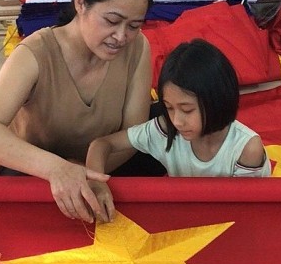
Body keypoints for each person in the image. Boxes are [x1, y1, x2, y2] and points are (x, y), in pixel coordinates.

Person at [0, 0, 154, 224]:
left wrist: (88, 172)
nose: (121, 36)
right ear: (81, 3)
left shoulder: (137, 48)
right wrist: (58, 169)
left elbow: (134, 135)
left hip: (103, 166)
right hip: (35, 170)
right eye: (112, 21)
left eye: (134, 26)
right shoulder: (36, 53)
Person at [86, 39, 271, 218]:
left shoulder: (246, 149)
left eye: (187, 109)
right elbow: (102, 144)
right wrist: (96, 181)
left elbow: (246, 213)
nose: (177, 121)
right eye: (169, 107)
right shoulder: (165, 131)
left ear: (217, 100)